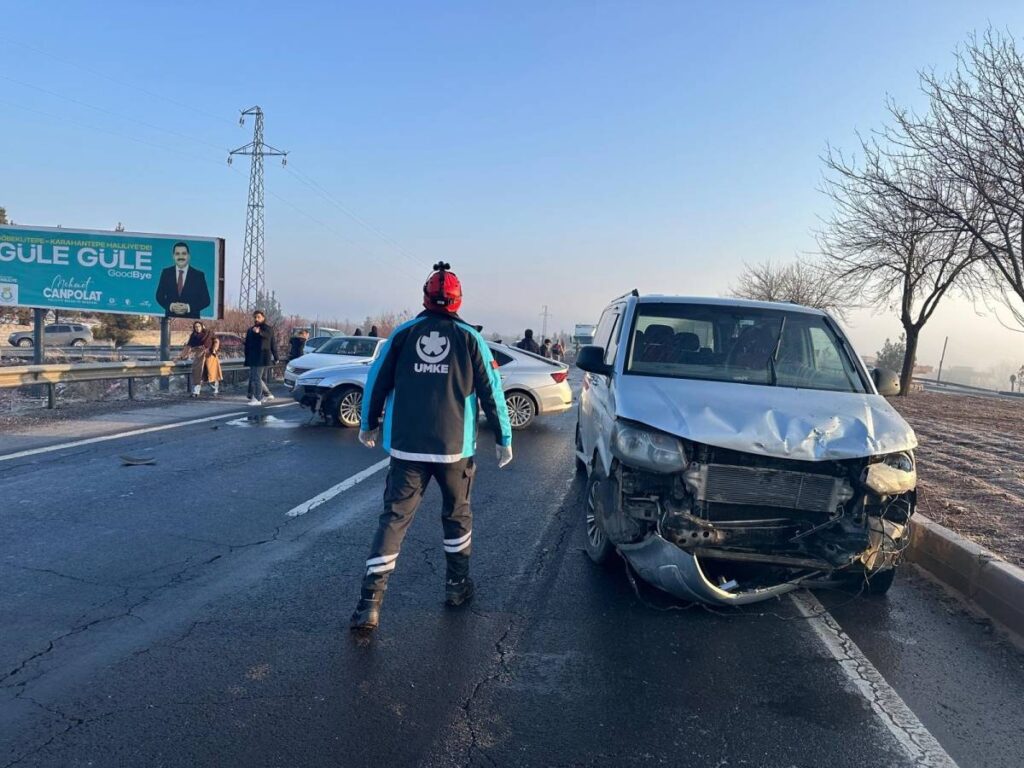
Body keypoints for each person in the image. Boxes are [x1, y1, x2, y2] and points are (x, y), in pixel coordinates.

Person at [350, 262, 513, 634]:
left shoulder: (403, 335)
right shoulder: (471, 337)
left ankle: (369, 605)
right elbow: (493, 390)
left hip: (406, 448)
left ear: (425, 297)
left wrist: (368, 424)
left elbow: (376, 381)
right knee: (457, 516)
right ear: (458, 301)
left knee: (394, 520)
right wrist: (504, 438)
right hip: (455, 449)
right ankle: (457, 587)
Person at [155, 242, 211, 319]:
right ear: (173, 256)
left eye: (183, 253)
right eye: (177, 254)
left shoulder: (198, 275)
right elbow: (159, 296)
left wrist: (188, 307)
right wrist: (171, 306)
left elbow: (206, 300)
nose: (180, 257)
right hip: (170, 319)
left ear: (188, 256)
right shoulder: (166, 273)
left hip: (191, 320)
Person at [244, 310, 279, 406]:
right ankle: (267, 394)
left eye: (258, 317)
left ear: (263, 317)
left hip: (262, 357)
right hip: (252, 357)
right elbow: (247, 344)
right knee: (255, 377)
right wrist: (246, 356)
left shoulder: (268, 329)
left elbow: (271, 342)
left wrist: (276, 357)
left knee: (257, 377)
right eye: (255, 317)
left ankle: (257, 399)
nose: (256, 319)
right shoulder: (250, 330)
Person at [179, 321, 212, 398]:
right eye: (196, 327)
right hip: (199, 357)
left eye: (199, 326)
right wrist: (181, 356)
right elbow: (188, 347)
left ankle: (215, 390)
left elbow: (214, 343)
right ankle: (195, 392)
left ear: (202, 326)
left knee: (211, 374)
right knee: (197, 374)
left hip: (209, 357)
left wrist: (212, 350)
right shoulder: (193, 336)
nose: (197, 328)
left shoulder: (208, 334)